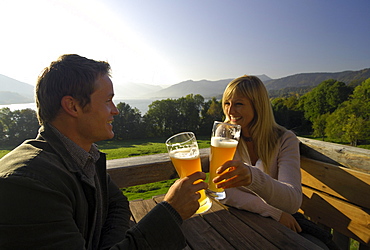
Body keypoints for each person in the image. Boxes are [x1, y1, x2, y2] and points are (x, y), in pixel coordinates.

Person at [0, 54, 207, 249]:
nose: (115, 110)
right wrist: (170, 212)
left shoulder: (84, 156)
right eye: (108, 100)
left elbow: (117, 203)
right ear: (72, 106)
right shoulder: (27, 185)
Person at [212, 75, 332, 249]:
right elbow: (222, 191)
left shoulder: (285, 140)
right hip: (243, 220)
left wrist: (253, 178)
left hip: (277, 225)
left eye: (238, 104)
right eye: (227, 103)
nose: (230, 111)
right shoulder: (224, 134)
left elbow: (292, 201)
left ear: (258, 106)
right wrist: (273, 211)